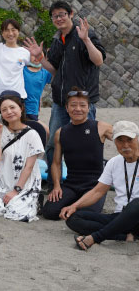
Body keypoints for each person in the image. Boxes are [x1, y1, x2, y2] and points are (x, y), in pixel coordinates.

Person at [24, 0, 106, 166]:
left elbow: (98, 61)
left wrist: (86, 40)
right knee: (54, 141)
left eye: (62, 15)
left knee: (85, 139)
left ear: (71, 14)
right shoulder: (57, 39)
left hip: (82, 100)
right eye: (55, 16)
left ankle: (86, 177)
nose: (59, 19)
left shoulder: (84, 34)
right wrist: (40, 58)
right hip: (60, 101)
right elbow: (53, 69)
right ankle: (52, 177)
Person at [61, 121, 139, 251]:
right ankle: (125, 236)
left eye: (130, 140)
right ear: (114, 142)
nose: (125, 145)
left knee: (137, 204)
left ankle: (94, 238)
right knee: (73, 218)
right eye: (120, 141)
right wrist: (74, 206)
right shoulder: (114, 163)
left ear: (137, 139)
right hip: (120, 216)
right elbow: (98, 191)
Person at [42, 88, 112, 220]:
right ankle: (75, 203)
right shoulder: (60, 133)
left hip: (95, 186)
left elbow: (124, 140)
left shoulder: (101, 127)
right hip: (71, 184)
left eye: (82, 105)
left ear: (88, 108)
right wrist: (57, 186)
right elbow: (56, 163)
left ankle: (78, 205)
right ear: (67, 108)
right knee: (49, 212)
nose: (78, 109)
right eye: (73, 105)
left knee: (85, 216)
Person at [0, 95, 44, 222]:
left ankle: (35, 199)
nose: (9, 112)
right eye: (4, 110)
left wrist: (16, 190)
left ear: (21, 109)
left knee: (17, 213)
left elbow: (29, 167)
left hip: (24, 182)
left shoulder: (32, 134)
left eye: (12, 107)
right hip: (3, 179)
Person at [22, 51, 53, 121]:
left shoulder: (45, 73)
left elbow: (58, 76)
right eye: (33, 55)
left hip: (33, 108)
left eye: (39, 55)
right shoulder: (22, 69)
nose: (36, 58)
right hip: (20, 106)